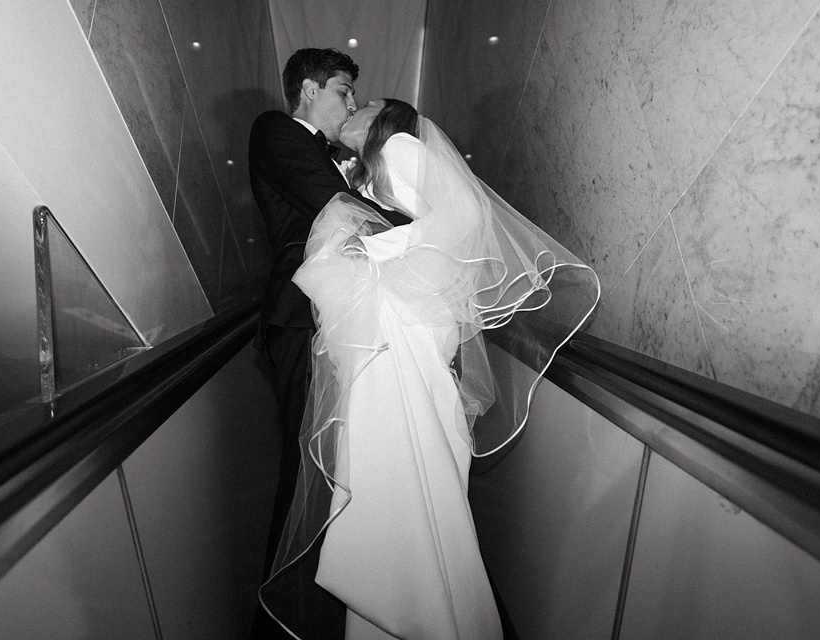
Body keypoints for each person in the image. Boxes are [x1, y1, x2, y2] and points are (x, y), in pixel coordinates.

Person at [259, 98, 600, 639]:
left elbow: (466, 216)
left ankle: (419, 611)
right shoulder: (370, 170)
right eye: (347, 96)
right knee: (387, 462)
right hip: (394, 331)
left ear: (385, 122)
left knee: (405, 460)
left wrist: (372, 250)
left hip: (407, 334)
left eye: (362, 104)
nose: (352, 107)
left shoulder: (399, 147)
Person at [249, 50, 412, 639]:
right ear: (311, 89)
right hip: (301, 318)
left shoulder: (336, 157)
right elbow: (334, 202)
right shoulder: (275, 130)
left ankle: (343, 603)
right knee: (304, 469)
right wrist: (422, 233)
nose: (349, 104)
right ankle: (282, 623)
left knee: (339, 468)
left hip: (340, 320)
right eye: (343, 91)